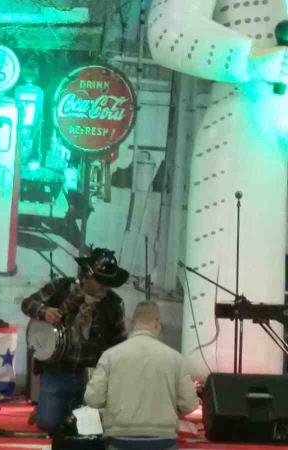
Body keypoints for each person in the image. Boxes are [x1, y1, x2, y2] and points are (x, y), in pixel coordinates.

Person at [148, 0, 288, 376]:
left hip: (254, 120)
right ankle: (227, 384)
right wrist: (250, 58)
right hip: (245, 117)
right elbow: (167, 29)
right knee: (241, 277)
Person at [20, 247, 128, 433]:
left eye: (108, 282)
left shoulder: (113, 304)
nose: (105, 287)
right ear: (86, 277)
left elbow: (119, 342)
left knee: (87, 429)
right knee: (48, 424)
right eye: (100, 281)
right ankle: (48, 409)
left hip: (91, 377)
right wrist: (44, 312)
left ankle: (62, 409)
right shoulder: (61, 287)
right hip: (57, 369)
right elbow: (27, 304)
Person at [84, 302, 199, 450]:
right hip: (163, 440)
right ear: (157, 323)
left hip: (120, 440)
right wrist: (171, 410)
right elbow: (190, 403)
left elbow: (93, 399)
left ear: (132, 323)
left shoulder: (110, 356)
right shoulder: (175, 358)